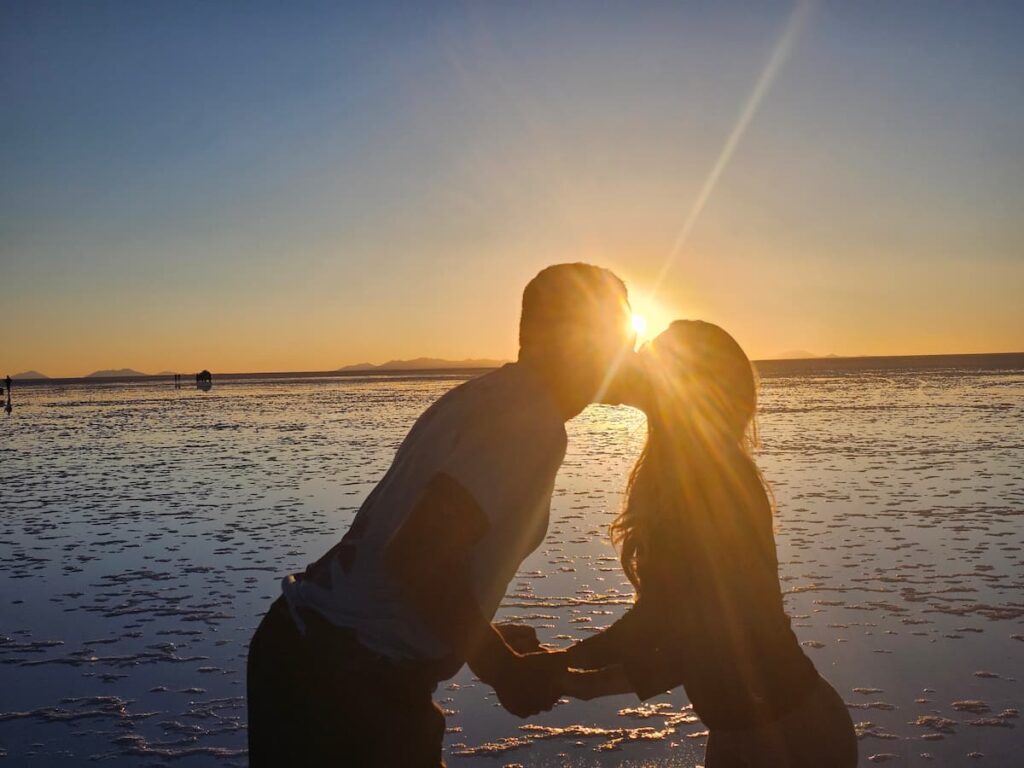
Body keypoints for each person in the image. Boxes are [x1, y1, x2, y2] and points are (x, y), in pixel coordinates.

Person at [247, 263, 638, 767]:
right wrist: (501, 667)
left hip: (315, 654)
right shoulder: (531, 423)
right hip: (343, 682)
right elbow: (415, 553)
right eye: (617, 336)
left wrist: (481, 633)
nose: (627, 354)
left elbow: (409, 552)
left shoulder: (486, 397)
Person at [551, 320, 857, 768]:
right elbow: (660, 616)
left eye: (657, 357)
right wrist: (567, 663)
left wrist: (575, 679)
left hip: (795, 735)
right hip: (743, 732)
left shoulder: (719, 482)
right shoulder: (684, 475)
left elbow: (701, 640)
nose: (642, 362)